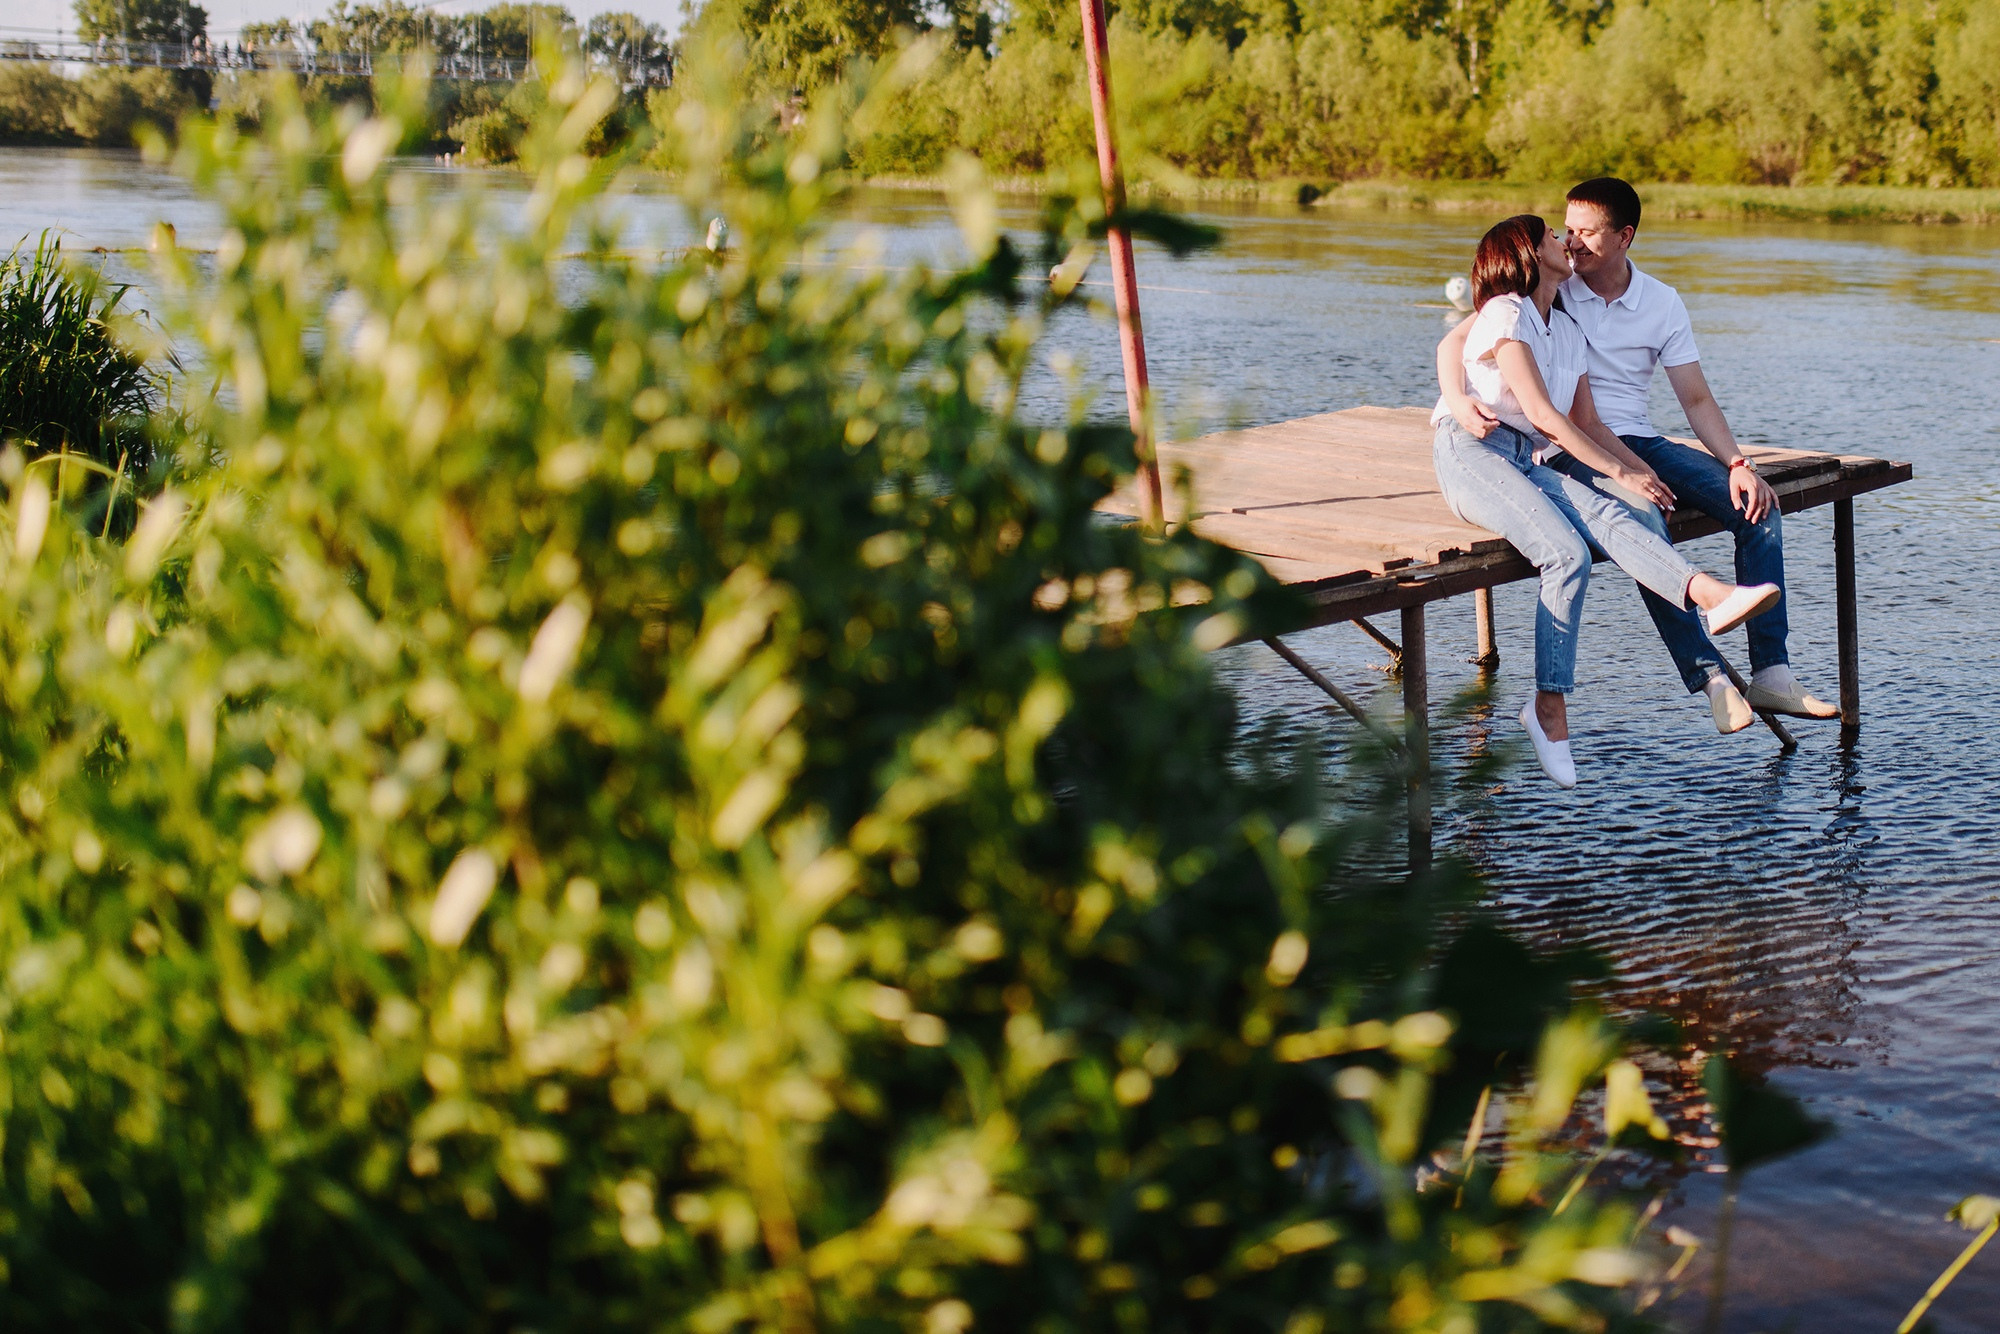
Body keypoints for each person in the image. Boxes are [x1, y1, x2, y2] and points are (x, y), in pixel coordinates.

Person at [1439, 177, 1837, 732]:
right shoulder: (1546, 286)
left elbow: (1695, 399)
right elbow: (1459, 341)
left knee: (1758, 507)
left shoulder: (1660, 302)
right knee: (1646, 518)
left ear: (1624, 236)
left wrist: (1738, 464)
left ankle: (1772, 673)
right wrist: (1458, 402)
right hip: (1568, 448)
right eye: (1567, 230)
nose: (1572, 242)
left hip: (1635, 439)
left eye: (1585, 232)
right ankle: (1711, 678)